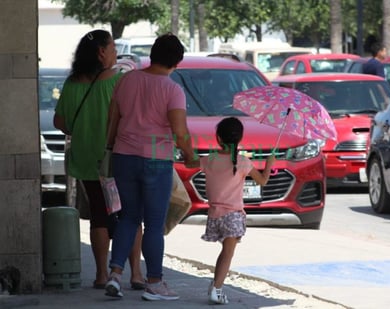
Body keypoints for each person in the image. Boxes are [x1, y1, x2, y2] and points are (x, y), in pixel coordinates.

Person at [104, 33, 196, 300]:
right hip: (156, 161)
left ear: (153, 54)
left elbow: (113, 119)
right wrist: (190, 155)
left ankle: (115, 274)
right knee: (154, 224)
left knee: (129, 217)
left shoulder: (127, 80)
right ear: (177, 62)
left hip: (123, 157)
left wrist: (109, 149)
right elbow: (180, 132)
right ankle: (154, 281)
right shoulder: (172, 90)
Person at [53, 29, 145, 290]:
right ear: (102, 52)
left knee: (99, 215)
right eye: (113, 48)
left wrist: (82, 128)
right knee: (130, 214)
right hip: (118, 157)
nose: (116, 53)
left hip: (86, 159)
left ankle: (102, 275)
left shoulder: (72, 84)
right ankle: (136, 274)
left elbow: (59, 121)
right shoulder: (119, 81)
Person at [186, 117, 275, 304]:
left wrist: (184, 145)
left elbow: (189, 163)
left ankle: (215, 287)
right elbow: (263, 181)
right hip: (233, 216)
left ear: (218, 138)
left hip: (214, 215)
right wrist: (268, 164)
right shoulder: (243, 162)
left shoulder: (209, 160)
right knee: (228, 254)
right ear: (240, 138)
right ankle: (216, 289)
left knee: (224, 253)